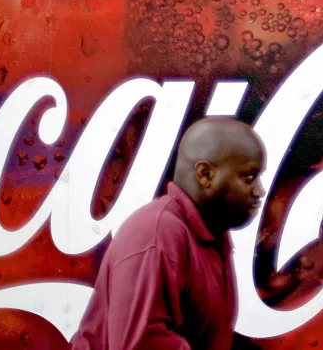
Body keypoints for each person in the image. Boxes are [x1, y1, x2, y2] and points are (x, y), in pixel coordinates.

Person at [72, 117, 267, 350]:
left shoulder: (210, 234)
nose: (260, 190)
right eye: (249, 177)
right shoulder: (156, 235)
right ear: (205, 174)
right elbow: (141, 344)